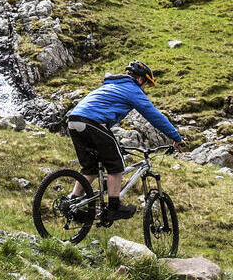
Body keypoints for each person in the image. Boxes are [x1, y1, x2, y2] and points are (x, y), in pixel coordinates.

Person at [64, 60, 186, 222]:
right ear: (141, 79)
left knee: (91, 168)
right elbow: (155, 116)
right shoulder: (132, 89)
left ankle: (73, 202)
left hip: (73, 121)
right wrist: (176, 138)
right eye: (146, 85)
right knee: (116, 164)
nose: (145, 90)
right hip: (91, 122)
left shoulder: (111, 85)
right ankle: (114, 207)